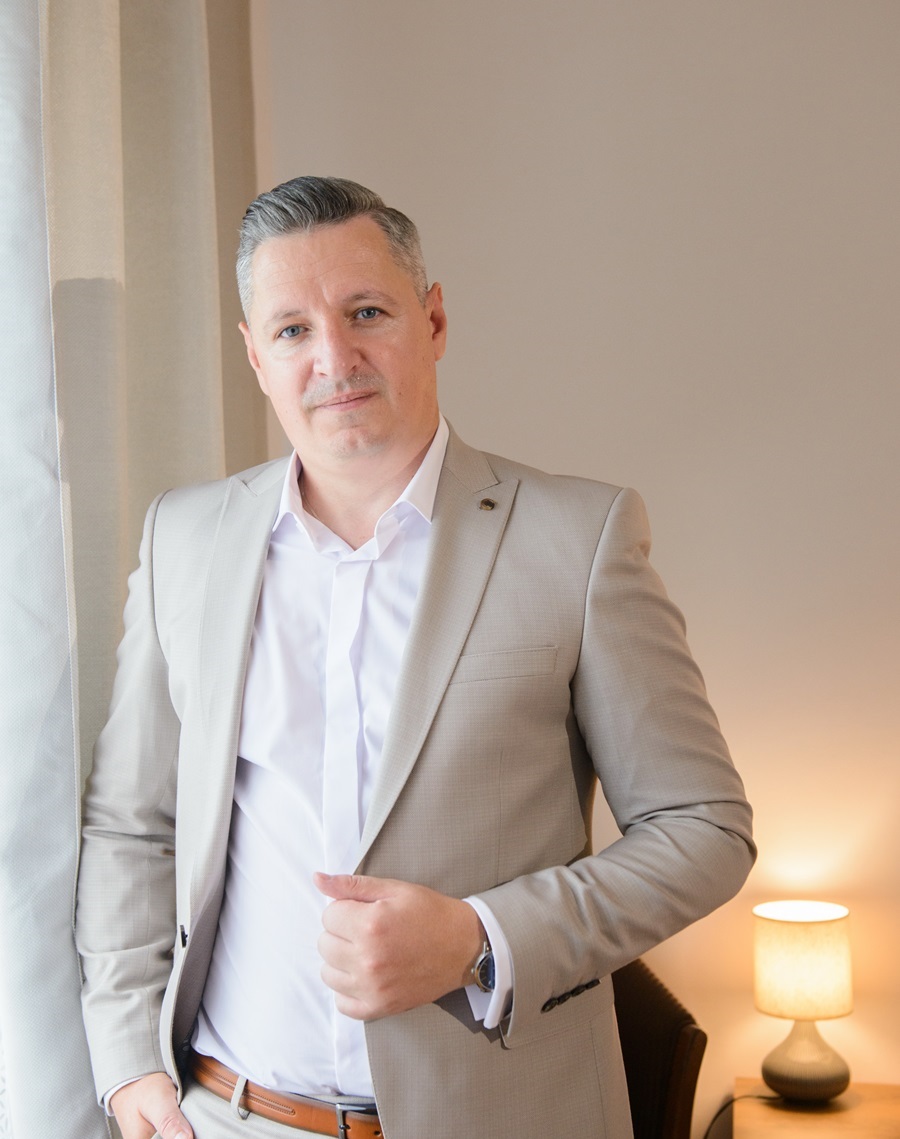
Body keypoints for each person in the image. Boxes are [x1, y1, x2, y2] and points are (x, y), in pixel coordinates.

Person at [75, 176, 755, 1139]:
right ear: (256, 356)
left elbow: (704, 827)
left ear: (433, 321)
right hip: (228, 1115)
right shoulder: (183, 538)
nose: (334, 358)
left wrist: (481, 938)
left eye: (366, 312)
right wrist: (128, 1062)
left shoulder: (579, 537)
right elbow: (132, 823)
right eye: (293, 330)